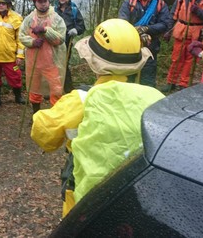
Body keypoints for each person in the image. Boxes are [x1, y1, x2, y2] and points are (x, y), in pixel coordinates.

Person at [30, 19, 164, 217]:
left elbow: (43, 134)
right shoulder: (156, 98)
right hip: (139, 198)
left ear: (92, 60)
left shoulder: (83, 99)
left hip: (88, 199)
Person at [118, 0, 172, 87]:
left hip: (150, 48)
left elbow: (165, 24)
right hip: (130, 48)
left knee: (147, 81)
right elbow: (122, 21)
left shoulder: (159, 5)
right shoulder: (129, 3)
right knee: (128, 80)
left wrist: (146, 29)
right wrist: (135, 32)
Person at [18, 0, 67, 112]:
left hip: (51, 63)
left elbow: (60, 39)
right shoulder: (29, 19)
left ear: (48, 0)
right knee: (34, 90)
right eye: (40, 1)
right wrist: (33, 42)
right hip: (34, 62)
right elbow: (22, 36)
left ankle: (55, 117)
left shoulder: (56, 19)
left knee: (56, 90)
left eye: (45, 0)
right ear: (35, 2)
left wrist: (46, 31)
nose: (43, 3)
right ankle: (36, 115)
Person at [54, 0, 86, 93]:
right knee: (52, 65)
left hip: (67, 42)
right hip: (53, 41)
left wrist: (76, 30)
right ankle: (53, 89)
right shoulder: (54, 10)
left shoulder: (73, 10)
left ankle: (68, 90)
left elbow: (81, 26)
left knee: (64, 65)